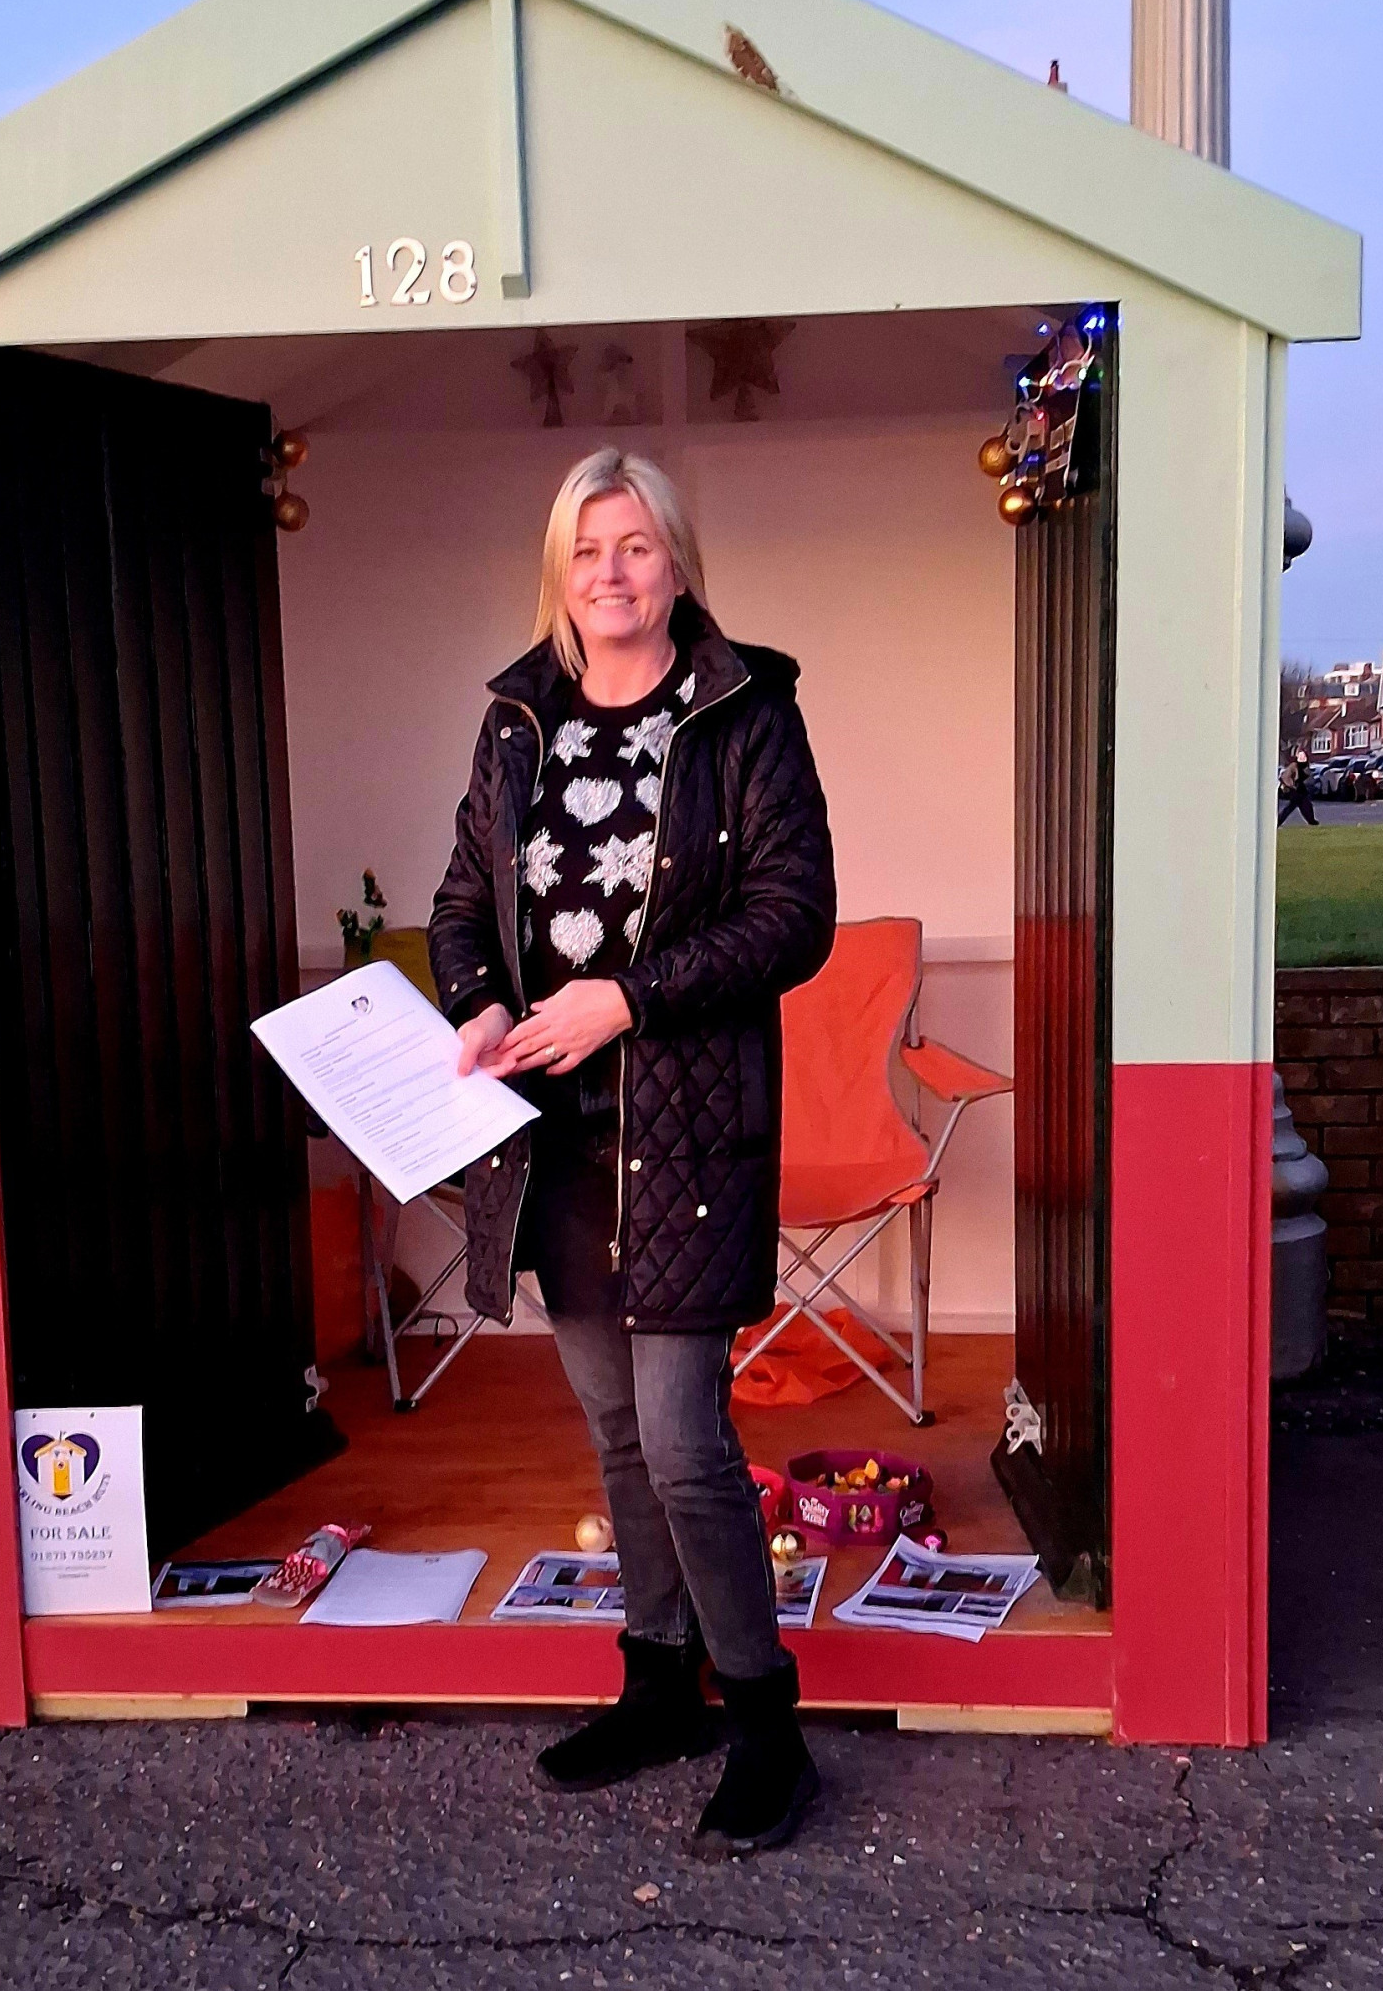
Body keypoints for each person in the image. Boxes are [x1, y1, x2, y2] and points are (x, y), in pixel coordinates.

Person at [429, 447, 836, 1857]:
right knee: (615, 1429)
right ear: (562, 570)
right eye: (587, 548)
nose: (612, 571)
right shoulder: (513, 723)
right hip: (552, 1147)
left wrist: (629, 995)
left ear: (678, 563)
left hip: (688, 1132)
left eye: (638, 545)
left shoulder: (746, 713)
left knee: (681, 1434)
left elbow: (798, 915)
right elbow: (458, 904)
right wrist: (478, 996)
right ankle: (657, 1681)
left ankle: (768, 1724)